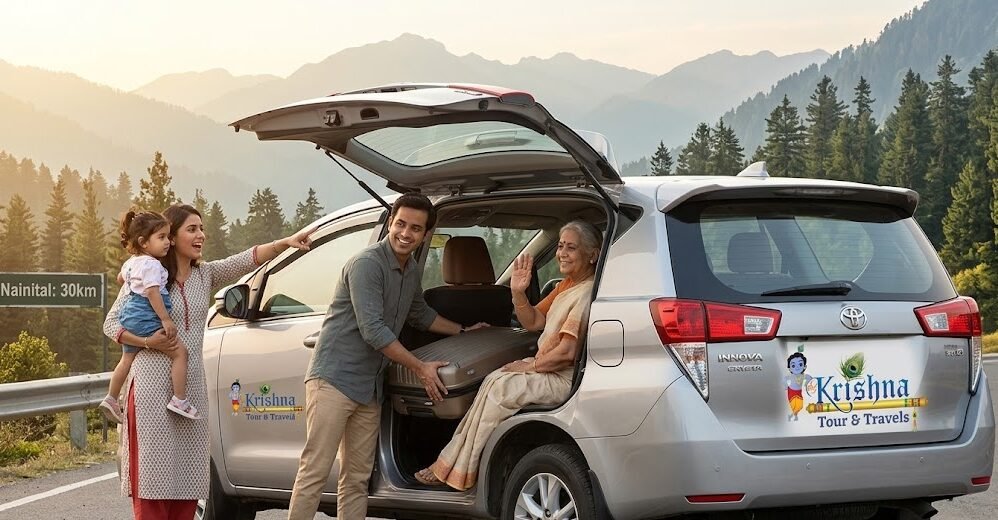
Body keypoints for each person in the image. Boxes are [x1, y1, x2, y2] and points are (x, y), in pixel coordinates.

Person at [103, 203, 313, 520]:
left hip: (191, 391)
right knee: (152, 485)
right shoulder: (149, 275)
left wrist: (285, 242)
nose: (201, 235)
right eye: (192, 229)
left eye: (202, 228)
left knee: (188, 483)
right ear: (170, 237)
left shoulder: (206, 274)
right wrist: (148, 341)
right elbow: (111, 324)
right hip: (148, 391)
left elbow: (247, 258)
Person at [287, 193, 487, 520]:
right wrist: (420, 367)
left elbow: (419, 314)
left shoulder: (409, 271)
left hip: (369, 388)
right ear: (391, 223)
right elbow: (374, 331)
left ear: (425, 235)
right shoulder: (367, 265)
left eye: (415, 229)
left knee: (357, 479)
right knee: (315, 472)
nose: (405, 234)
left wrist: (464, 332)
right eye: (401, 224)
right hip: (334, 380)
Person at [414, 220, 602, 491]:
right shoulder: (568, 285)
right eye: (560, 246)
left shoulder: (586, 293)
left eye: (571, 248)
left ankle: (460, 470)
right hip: (547, 370)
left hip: (562, 379)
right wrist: (516, 292)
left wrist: (531, 366)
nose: (561, 253)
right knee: (493, 380)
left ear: (592, 255)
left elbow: (567, 353)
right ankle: (450, 464)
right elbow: (534, 321)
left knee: (500, 388)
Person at [99, 209, 198, 424]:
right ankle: (179, 399)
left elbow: (120, 279)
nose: (168, 243)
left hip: (130, 317)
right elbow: (153, 293)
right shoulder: (153, 265)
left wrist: (135, 283)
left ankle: (111, 398)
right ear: (144, 242)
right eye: (161, 237)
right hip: (146, 317)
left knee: (126, 359)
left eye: (168, 237)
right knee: (180, 353)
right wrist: (165, 319)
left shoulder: (132, 261)